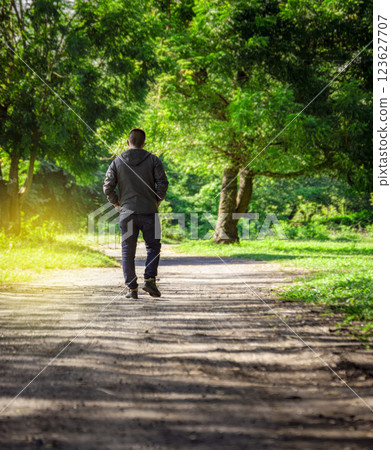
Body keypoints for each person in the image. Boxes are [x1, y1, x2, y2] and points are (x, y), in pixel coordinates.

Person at [103, 128, 169, 299]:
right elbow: (163, 183)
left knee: (128, 251)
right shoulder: (153, 159)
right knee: (153, 247)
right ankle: (149, 279)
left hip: (127, 213)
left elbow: (107, 186)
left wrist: (117, 204)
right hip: (149, 212)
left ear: (127, 142)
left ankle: (132, 289)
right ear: (144, 143)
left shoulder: (117, 162)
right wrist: (157, 201)